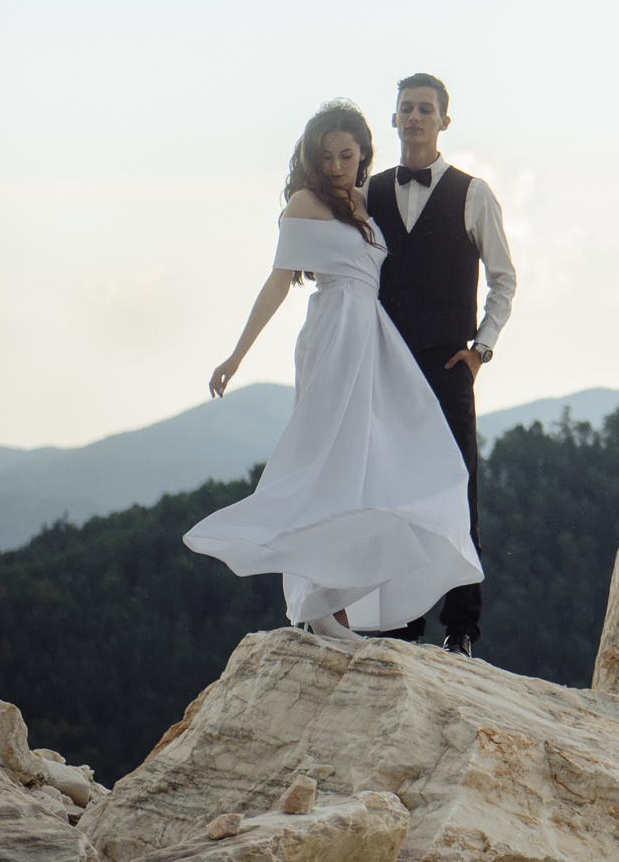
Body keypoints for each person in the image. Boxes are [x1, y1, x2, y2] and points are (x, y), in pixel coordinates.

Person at [185, 101, 481, 641]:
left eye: (347, 155)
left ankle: (337, 601)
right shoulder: (305, 203)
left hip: (373, 337)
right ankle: (319, 605)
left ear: (364, 155)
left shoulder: (361, 205)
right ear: (312, 160)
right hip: (335, 335)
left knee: (387, 461)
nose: (338, 165)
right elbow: (278, 282)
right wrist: (236, 356)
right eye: (327, 156)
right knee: (332, 465)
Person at [361, 72, 517, 659]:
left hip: (448, 366)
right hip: (385, 366)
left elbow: (504, 280)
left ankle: (461, 629)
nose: (416, 118)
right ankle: (401, 621)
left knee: (456, 490)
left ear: (444, 121)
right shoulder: (367, 192)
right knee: (393, 490)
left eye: (427, 109)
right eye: (407, 109)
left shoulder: (474, 193)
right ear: (395, 119)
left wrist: (481, 349)